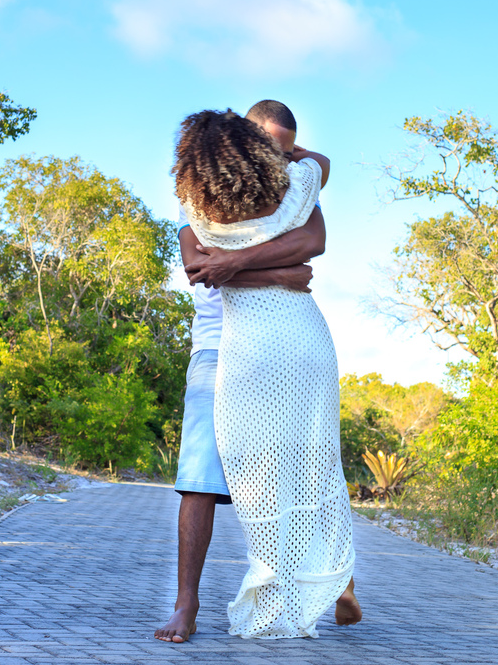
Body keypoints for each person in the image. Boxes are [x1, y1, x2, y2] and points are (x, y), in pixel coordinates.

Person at [155, 100, 358, 643]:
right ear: (243, 141)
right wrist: (281, 269)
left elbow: (313, 244)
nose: (280, 158)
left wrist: (239, 263)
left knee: (304, 466)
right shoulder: (202, 194)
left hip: (281, 344)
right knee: (199, 480)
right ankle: (185, 606)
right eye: (268, 148)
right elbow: (200, 267)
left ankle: (334, 578)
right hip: (218, 350)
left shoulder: (291, 190)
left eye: (287, 151)